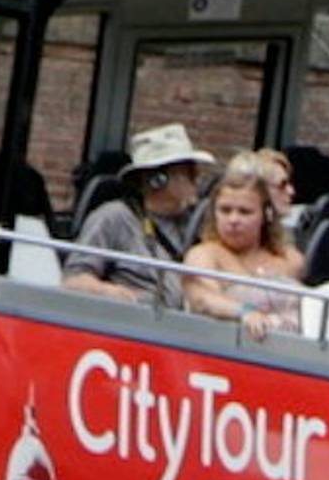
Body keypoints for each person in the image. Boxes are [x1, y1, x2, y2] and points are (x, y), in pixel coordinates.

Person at [62, 123, 213, 308]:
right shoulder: (113, 218)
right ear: (158, 180)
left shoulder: (194, 224)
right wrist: (111, 293)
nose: (197, 180)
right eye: (189, 173)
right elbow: (73, 280)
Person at [183, 154, 306, 340]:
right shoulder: (204, 254)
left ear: (266, 214)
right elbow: (202, 298)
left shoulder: (291, 259)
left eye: (245, 212)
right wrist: (244, 312)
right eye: (225, 210)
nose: (233, 220)